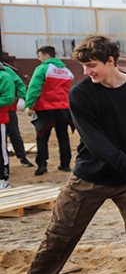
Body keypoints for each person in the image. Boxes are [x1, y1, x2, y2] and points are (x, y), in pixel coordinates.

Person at [0, 35, 126, 274]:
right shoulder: (81, 93)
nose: (86, 72)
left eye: (92, 65)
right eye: (82, 66)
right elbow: (95, 143)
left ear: (111, 61)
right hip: (89, 177)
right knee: (59, 234)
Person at [25, 45, 74, 176]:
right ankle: (65, 164)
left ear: (47, 56)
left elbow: (34, 88)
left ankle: (42, 165)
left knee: (42, 137)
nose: (39, 59)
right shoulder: (66, 71)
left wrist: (29, 104)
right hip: (63, 108)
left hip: (45, 109)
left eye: (40, 56)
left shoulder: (42, 68)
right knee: (63, 136)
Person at [2, 63, 34, 168]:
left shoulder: (6, 71)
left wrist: (21, 97)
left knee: (14, 133)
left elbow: (19, 84)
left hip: (8, 109)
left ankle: (22, 157)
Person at [0, 67, 15, 189]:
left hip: (0, 119)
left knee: (1, 149)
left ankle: (3, 178)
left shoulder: (4, 76)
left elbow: (8, 98)